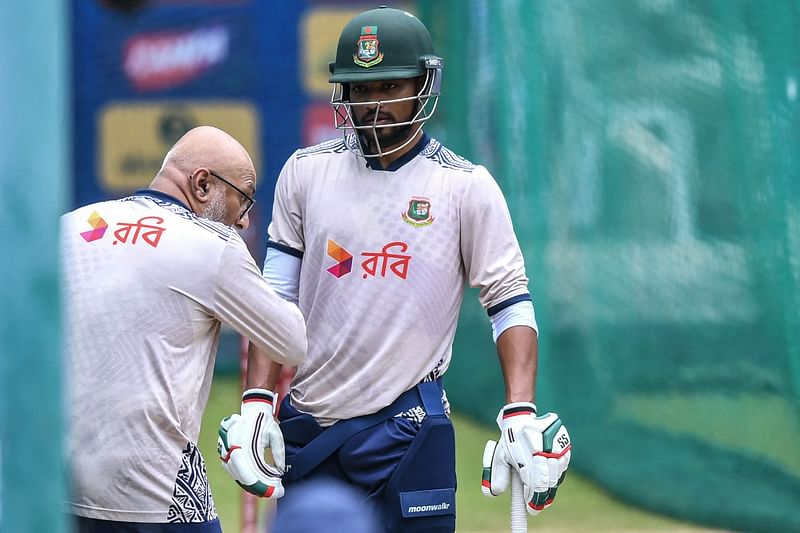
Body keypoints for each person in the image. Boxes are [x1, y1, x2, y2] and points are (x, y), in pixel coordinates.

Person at [219, 6, 571, 532]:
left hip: (409, 429)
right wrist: (256, 404)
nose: (373, 104)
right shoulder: (306, 172)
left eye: (389, 87)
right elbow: (275, 300)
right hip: (312, 427)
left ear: (423, 84)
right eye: (360, 89)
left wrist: (519, 410)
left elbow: (509, 300)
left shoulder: (464, 186)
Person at [61, 126, 307, 533]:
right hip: (154, 496)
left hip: (56, 487)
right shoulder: (212, 246)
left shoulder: (72, 226)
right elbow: (291, 342)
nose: (244, 220)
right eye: (242, 198)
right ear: (203, 183)